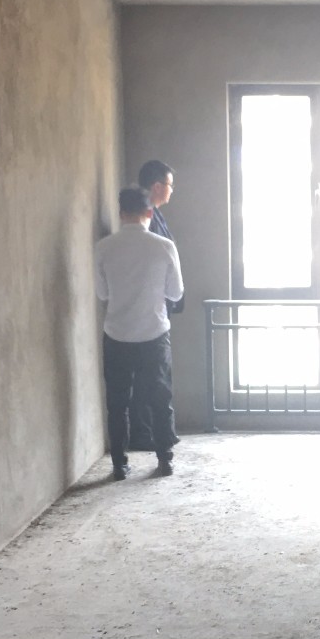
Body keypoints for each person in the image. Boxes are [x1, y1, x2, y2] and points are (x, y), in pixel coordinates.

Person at [95, 186, 184, 480]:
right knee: (160, 399)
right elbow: (176, 292)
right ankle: (164, 459)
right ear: (149, 212)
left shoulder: (103, 247)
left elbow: (102, 293)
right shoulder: (164, 246)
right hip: (154, 333)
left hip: (116, 334)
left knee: (118, 402)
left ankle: (119, 464)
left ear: (121, 213)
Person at [128, 160, 182, 453]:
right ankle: (145, 433)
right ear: (158, 187)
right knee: (151, 377)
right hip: (149, 313)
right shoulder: (144, 218)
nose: (172, 191)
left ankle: (154, 433)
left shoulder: (153, 214)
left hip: (155, 310)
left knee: (154, 376)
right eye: (170, 185)